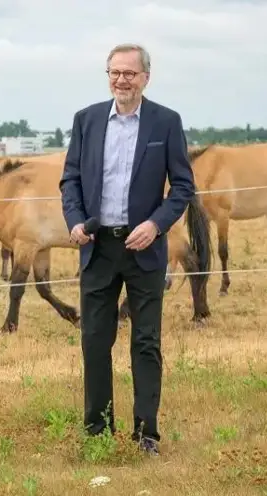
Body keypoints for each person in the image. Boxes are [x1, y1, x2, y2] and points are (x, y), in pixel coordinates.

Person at [58, 43, 195, 456]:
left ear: (145, 78)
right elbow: (70, 180)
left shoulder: (166, 122)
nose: (121, 80)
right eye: (115, 72)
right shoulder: (86, 120)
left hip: (145, 250)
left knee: (146, 342)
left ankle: (146, 433)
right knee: (94, 341)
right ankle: (98, 432)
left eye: (130, 74)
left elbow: (182, 187)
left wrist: (155, 225)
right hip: (98, 248)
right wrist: (75, 221)